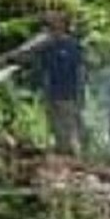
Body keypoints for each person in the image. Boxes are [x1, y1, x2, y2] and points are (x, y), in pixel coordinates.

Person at [31, 10, 86, 156]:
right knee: (57, 129)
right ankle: (64, 158)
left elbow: (80, 70)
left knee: (71, 129)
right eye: (50, 25)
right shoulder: (47, 46)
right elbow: (44, 70)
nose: (52, 27)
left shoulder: (72, 45)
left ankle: (75, 159)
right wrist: (44, 90)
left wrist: (80, 93)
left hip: (69, 94)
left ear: (63, 26)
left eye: (55, 24)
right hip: (52, 93)